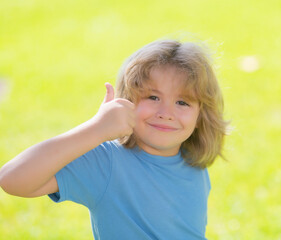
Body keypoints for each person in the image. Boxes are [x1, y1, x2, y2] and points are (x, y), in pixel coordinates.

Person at [0, 39, 228, 239]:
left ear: (200, 115)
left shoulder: (192, 161)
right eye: (153, 96)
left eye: (182, 102)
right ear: (126, 102)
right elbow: (12, 179)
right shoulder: (107, 163)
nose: (166, 112)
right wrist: (96, 129)